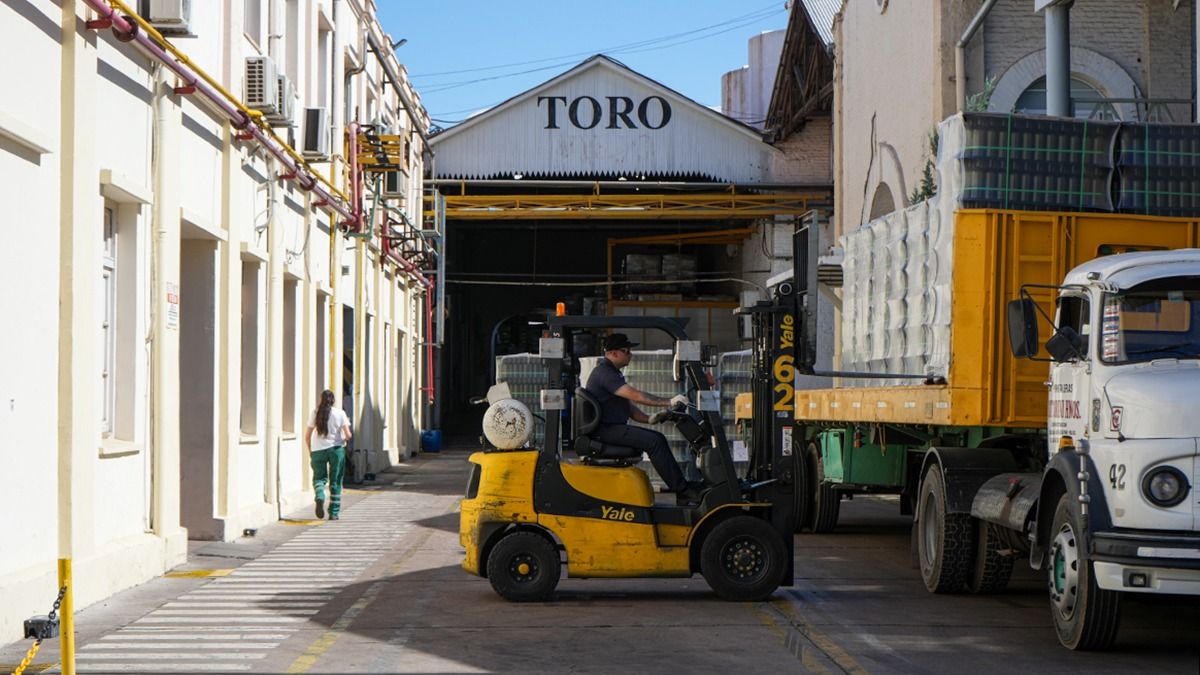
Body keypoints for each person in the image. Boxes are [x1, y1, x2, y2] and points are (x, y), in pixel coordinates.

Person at [584, 333, 702, 504]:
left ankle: (683, 487)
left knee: (656, 438)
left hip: (610, 428)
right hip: (605, 430)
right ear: (614, 353)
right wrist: (668, 402)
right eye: (627, 351)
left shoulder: (612, 372)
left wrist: (649, 419)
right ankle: (683, 490)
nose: (630, 354)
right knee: (655, 441)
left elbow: (629, 406)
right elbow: (635, 395)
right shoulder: (605, 373)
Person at [305, 389, 352, 520]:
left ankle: (320, 495)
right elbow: (348, 435)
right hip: (336, 450)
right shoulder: (340, 413)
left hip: (318, 450)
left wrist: (311, 451)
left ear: (321, 399)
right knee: (336, 480)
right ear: (333, 400)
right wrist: (343, 439)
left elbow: (307, 436)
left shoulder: (315, 413)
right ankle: (334, 512)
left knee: (319, 478)